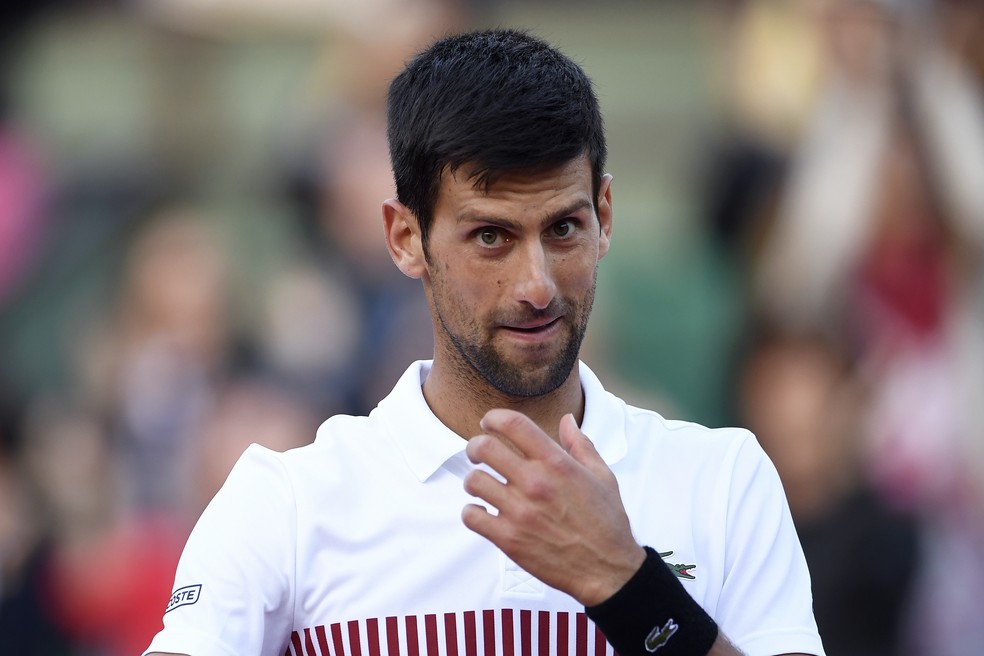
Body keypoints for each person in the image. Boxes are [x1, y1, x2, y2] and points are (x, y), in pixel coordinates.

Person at [144, 29, 824, 656]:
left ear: (605, 216)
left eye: (563, 228)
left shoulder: (724, 482)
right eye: (491, 237)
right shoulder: (287, 504)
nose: (537, 285)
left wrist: (628, 584)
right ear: (405, 238)